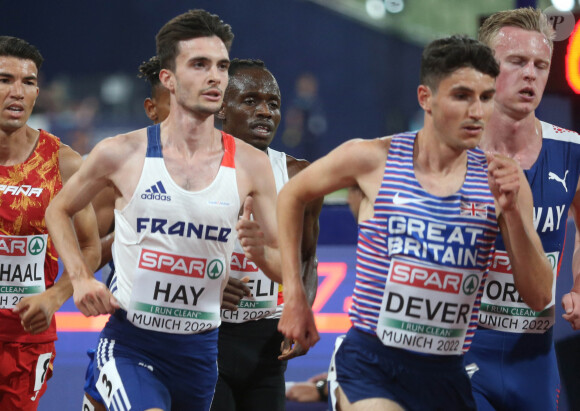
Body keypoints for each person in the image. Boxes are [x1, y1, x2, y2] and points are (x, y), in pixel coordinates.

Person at [276, 35, 553, 411]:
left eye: (486, 97)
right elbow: (293, 194)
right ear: (426, 98)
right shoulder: (373, 158)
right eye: (461, 96)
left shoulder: (503, 179)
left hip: (447, 372)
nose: (477, 111)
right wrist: (295, 296)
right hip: (370, 362)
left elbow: (538, 297)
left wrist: (514, 216)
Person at [46, 9, 281, 411]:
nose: (215, 77)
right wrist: (82, 280)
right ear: (168, 79)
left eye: (222, 66)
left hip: (202, 355)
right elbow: (58, 210)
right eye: (200, 64)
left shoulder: (251, 164)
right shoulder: (121, 153)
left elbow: (281, 262)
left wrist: (270, 264)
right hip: (133, 345)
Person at [462, 8, 580, 411]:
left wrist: (579, 285)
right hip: (461, 350)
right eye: (516, 62)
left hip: (534, 358)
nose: (531, 74)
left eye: (540, 65)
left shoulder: (572, 149)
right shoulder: (451, 150)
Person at [210, 58, 323, 411]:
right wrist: (204, 282)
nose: (264, 112)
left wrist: (303, 308)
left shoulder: (299, 175)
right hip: (207, 337)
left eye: (272, 104)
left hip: (267, 345)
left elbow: (307, 259)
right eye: (250, 101)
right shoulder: (191, 171)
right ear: (221, 109)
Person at [0, 36, 100, 410]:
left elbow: (90, 247)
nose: (17, 92)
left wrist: (55, 297)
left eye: (27, 82)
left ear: (38, 91)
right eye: (4, 79)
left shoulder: (64, 162)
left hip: (27, 339)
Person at [81, 55, 170, 411]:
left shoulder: (234, 168)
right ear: (152, 108)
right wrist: (128, 236)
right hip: (132, 341)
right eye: (172, 103)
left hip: (205, 345)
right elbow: (85, 250)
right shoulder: (123, 167)